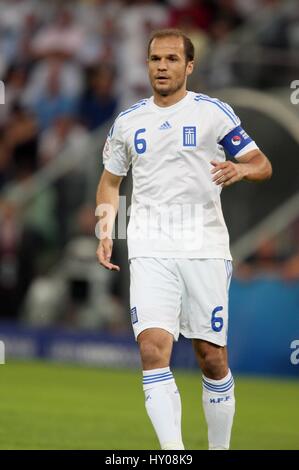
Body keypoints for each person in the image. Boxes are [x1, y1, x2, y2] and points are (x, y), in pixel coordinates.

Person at [96, 28, 272, 450]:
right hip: (149, 246)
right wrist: (106, 228)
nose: (162, 66)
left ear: (189, 66)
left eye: (172, 59)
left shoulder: (213, 113)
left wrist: (241, 170)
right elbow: (109, 182)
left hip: (204, 247)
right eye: (156, 59)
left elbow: (260, 162)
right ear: (147, 64)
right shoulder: (129, 120)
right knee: (153, 349)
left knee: (212, 358)